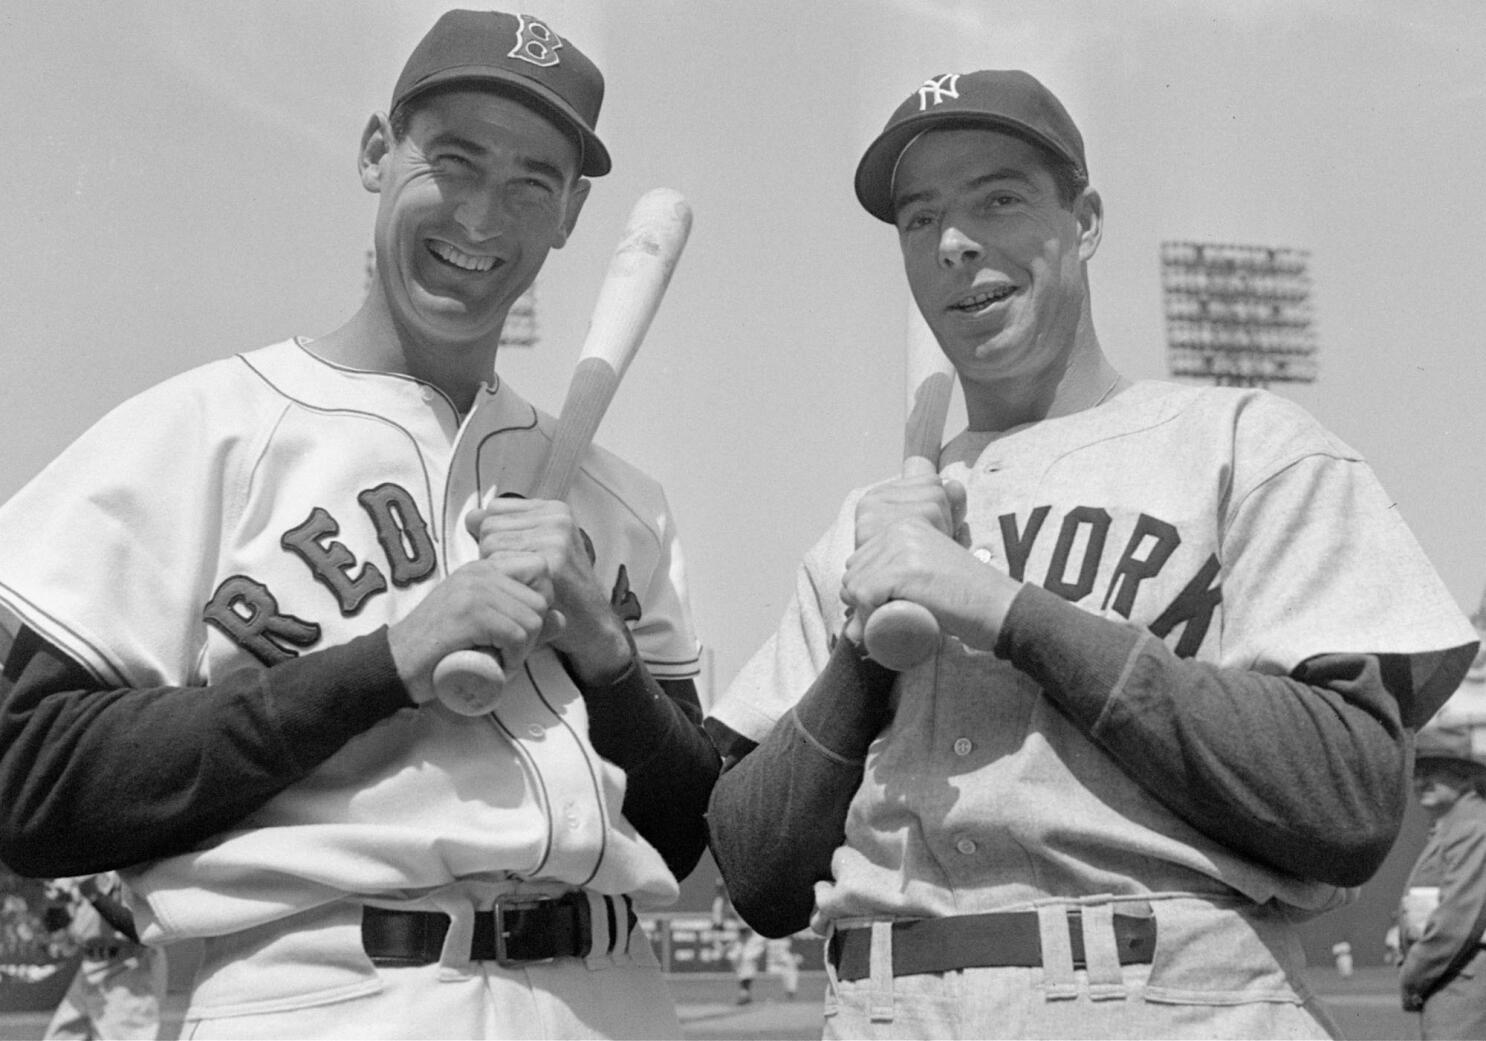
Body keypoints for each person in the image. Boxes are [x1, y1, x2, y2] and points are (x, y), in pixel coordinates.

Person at [703, 68, 1479, 1039]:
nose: (954, 242)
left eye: (999, 198)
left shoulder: (1247, 446)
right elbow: (756, 875)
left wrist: (1006, 611)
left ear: (1087, 221)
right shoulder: (876, 525)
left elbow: (1348, 800)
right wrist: (863, 651)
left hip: (1163, 994)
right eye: (919, 217)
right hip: (884, 1006)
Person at [0, 10, 717, 1039]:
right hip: (324, 988)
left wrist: (603, 655)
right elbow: (36, 789)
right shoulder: (203, 433)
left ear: (568, 216)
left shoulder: (619, 499)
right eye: (454, 160)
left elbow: (682, 830)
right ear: (379, 153)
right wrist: (386, 663)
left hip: (609, 997)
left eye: (530, 183)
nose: (482, 217)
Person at [1398, 724, 1486, 1038]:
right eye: (1417, 772)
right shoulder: (1455, 826)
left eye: (1436, 771)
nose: (1422, 781)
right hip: (1455, 978)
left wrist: (1411, 978)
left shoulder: (1473, 827)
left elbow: (1456, 922)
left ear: (1465, 776)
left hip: (1464, 979)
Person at [41, 874, 168, 1041]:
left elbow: (144, 931)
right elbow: (57, 922)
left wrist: (94, 895)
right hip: (89, 967)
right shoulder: (73, 864)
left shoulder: (130, 865)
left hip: (130, 967)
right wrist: (57, 906)